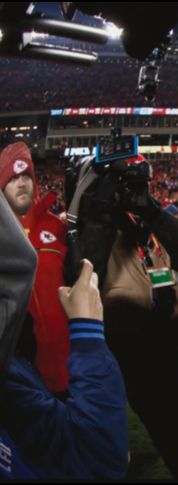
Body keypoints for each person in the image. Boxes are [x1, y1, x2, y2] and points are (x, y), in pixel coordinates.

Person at [66, 153, 178, 479]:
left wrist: (150, 210)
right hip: (131, 344)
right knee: (161, 417)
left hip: (166, 331)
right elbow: (86, 271)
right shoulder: (83, 226)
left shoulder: (140, 217)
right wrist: (102, 210)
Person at [0, 192, 128, 479]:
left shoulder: (53, 225)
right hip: (60, 363)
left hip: (55, 361)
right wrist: (88, 333)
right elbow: (97, 458)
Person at [0, 142, 70, 397]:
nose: (21, 183)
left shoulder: (60, 228)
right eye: (12, 178)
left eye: (26, 176)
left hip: (70, 366)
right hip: (21, 372)